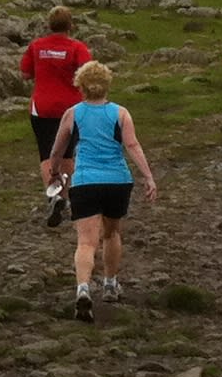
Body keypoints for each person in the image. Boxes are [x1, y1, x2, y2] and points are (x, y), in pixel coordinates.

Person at [49, 61, 158, 324]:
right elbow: (132, 145)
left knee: (86, 242)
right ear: (107, 84)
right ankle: (110, 284)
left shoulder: (73, 114)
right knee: (112, 233)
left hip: (85, 181)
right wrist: (148, 176)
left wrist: (54, 172)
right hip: (117, 181)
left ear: (81, 86)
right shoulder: (120, 113)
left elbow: (58, 149)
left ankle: (83, 289)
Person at [19, 7, 94, 229]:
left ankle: (53, 196)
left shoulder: (36, 46)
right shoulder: (77, 48)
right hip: (71, 108)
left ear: (48, 24)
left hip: (41, 107)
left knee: (46, 154)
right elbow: (88, 74)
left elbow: (25, 74)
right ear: (70, 25)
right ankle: (66, 197)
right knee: (68, 153)